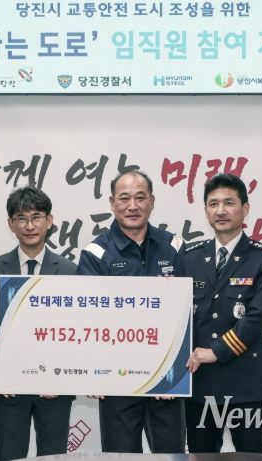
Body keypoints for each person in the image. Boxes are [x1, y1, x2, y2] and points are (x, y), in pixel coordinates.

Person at [77, 170, 186, 454]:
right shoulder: (95, 253)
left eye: (140, 197)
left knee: (171, 454)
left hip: (166, 377)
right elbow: (86, 319)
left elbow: (188, 313)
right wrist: (92, 371)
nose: (133, 206)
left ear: (152, 201)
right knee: (120, 455)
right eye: (124, 198)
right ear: (112, 203)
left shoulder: (174, 247)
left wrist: (176, 371)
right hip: (116, 378)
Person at [182, 174, 262, 454]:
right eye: (213, 204)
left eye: (229, 202)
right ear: (206, 212)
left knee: (251, 456)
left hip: (246, 384)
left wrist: (215, 351)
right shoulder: (189, 258)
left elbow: (259, 318)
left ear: (245, 208)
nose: (221, 210)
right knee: (201, 456)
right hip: (199, 384)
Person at [0, 186, 77, 461]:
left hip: (54, 389)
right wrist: (6, 372)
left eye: (36, 217)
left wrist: (60, 377)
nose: (30, 226)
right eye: (21, 218)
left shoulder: (69, 270)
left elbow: (75, 331)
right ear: (11, 224)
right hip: (10, 390)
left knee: (54, 457)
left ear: (49, 220)